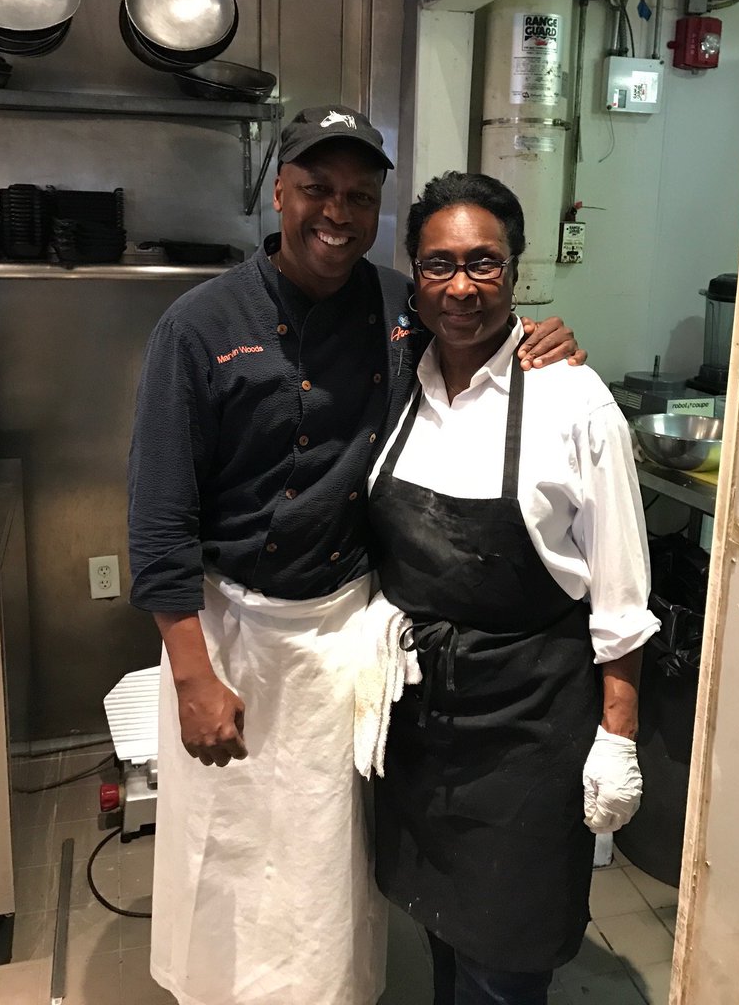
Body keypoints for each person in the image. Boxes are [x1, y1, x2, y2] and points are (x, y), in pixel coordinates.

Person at [127, 107, 582, 1005]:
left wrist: (543, 339)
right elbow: (158, 518)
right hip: (234, 634)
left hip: (341, 634)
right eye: (318, 190)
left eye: (360, 197)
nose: (336, 212)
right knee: (227, 850)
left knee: (324, 860)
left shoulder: (396, 305)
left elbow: (474, 326)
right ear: (280, 192)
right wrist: (190, 675)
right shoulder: (198, 326)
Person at [366, 171, 658, 1005]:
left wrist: (619, 736)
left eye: (484, 263)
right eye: (440, 264)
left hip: (531, 723)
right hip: (422, 719)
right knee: (438, 931)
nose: (461, 287)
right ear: (414, 275)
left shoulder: (573, 399)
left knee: (505, 959)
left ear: (515, 270)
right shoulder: (398, 381)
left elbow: (621, 593)